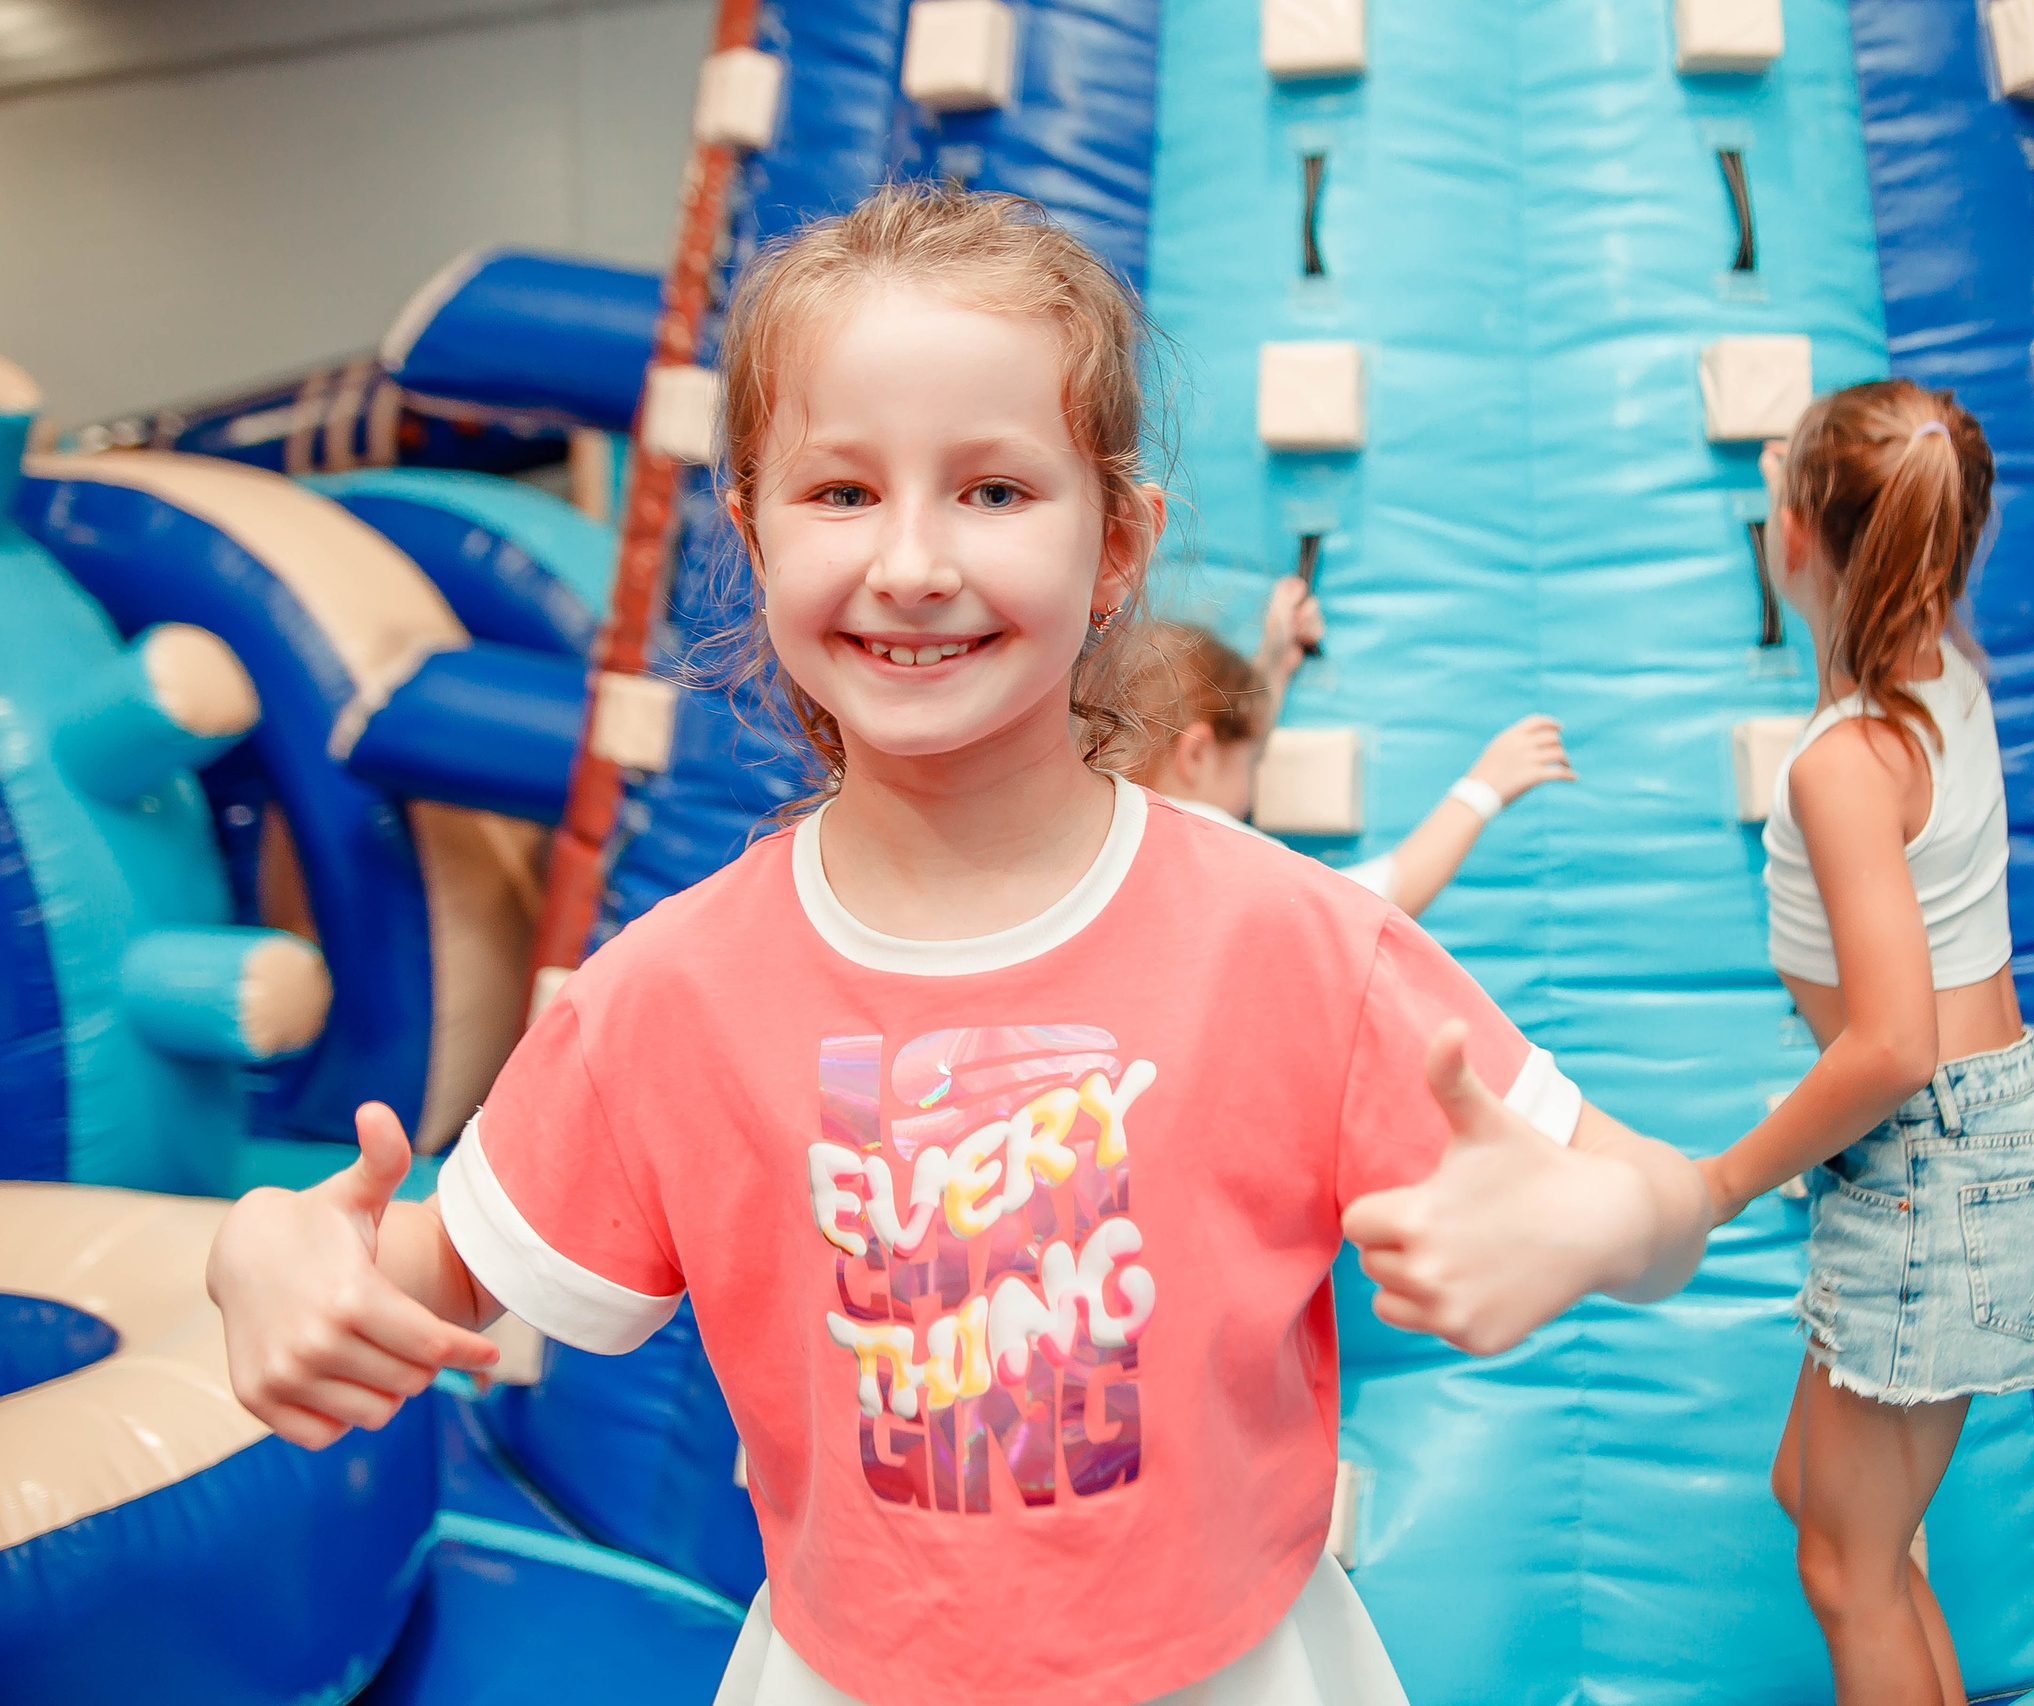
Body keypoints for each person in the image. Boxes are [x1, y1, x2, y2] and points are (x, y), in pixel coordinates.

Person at [203, 184, 1718, 1706]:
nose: (913, 561)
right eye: (843, 492)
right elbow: (424, 1273)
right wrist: (271, 1243)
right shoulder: (672, 993)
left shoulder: (1291, 942)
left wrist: (1600, 1223)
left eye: (995, 491)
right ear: (750, 527)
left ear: (1119, 538)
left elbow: (1667, 1205)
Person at [1699, 380, 2034, 1706]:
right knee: (1817, 1501)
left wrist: (1723, 1178)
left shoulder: (1846, 761)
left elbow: (1894, 1045)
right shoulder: (1949, 672)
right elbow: (1892, 520)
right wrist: (1815, 482)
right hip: (1974, 1154)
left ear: (1799, 537)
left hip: (1941, 1161)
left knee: (1849, 1561)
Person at [1123, 588, 1576, 918]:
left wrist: (1274, 665)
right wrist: (1482, 790)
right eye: (1249, 765)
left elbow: (1239, 731)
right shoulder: (1203, 845)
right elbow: (1371, 904)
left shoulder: (1107, 828)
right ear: (1197, 756)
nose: (1251, 781)